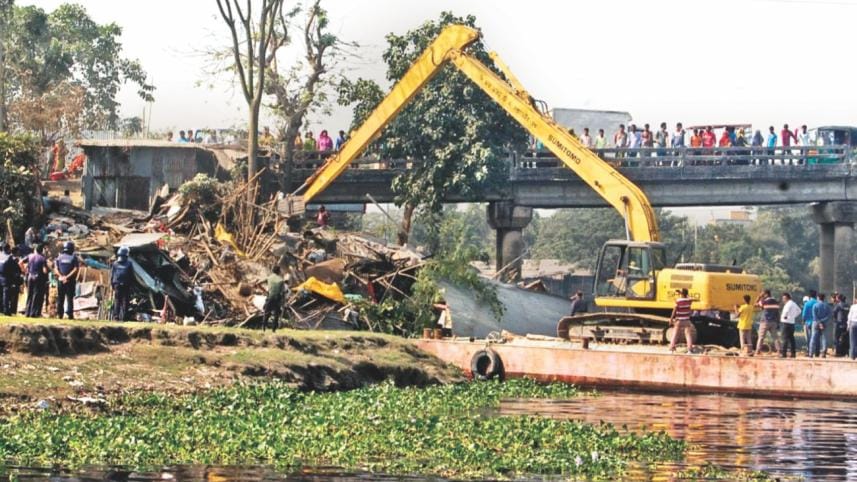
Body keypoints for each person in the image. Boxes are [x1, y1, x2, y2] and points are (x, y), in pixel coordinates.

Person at [54, 241, 79, 320]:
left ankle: (59, 314)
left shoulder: (59, 258)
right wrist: (67, 277)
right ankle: (70, 315)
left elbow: (56, 269)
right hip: (70, 281)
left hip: (61, 281)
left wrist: (62, 276)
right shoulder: (74, 258)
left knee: (60, 298)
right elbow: (76, 269)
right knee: (69, 298)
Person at [24, 244, 48, 318]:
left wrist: (25, 271)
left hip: (30, 276)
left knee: (29, 295)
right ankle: (33, 313)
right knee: (36, 295)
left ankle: (27, 312)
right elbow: (45, 271)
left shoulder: (30, 256)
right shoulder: (42, 258)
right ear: (41, 251)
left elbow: (20, 262)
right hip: (38, 278)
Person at [110, 246, 134, 321]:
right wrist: (131, 285)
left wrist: (112, 285)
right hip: (126, 284)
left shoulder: (115, 263)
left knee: (117, 301)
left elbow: (112, 275)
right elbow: (131, 275)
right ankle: (125, 317)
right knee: (125, 301)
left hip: (117, 284)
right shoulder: (129, 264)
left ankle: (116, 317)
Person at [755, 290, 780, 356]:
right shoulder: (776, 302)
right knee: (775, 338)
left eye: (763, 294)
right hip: (774, 322)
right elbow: (778, 313)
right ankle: (779, 351)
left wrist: (759, 296)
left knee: (761, 337)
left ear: (766, 294)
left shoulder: (764, 301)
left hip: (765, 322)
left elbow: (755, 304)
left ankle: (758, 351)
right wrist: (778, 322)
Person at [669, 288, 694, 353]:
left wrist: (671, 319)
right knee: (688, 335)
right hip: (687, 320)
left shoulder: (678, 301)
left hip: (679, 321)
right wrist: (685, 295)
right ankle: (689, 350)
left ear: (681, 294)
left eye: (680, 293)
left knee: (675, 334)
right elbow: (690, 298)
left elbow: (674, 310)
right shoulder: (689, 301)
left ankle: (671, 349)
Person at [262, 265, 285, 332]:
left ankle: (263, 327)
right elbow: (282, 292)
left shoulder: (269, 278)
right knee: (276, 314)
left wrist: (265, 291)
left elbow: (258, 283)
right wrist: (283, 301)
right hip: (277, 298)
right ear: (279, 271)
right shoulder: (281, 280)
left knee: (267, 312)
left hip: (270, 297)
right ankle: (273, 330)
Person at [780, 292, 800, 358]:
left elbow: (786, 312)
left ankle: (783, 353)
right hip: (792, 322)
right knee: (791, 339)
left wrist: (785, 317)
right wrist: (793, 316)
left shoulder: (788, 304)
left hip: (786, 323)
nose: (783, 300)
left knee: (784, 338)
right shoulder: (793, 303)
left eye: (783, 298)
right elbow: (799, 311)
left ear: (786, 298)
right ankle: (793, 353)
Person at [811, 293, 831, 358]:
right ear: (824, 298)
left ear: (818, 298)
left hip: (815, 323)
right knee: (824, 339)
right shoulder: (827, 306)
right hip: (824, 324)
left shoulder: (815, 305)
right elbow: (829, 316)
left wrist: (819, 322)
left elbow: (814, 315)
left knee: (813, 337)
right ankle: (823, 353)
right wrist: (822, 322)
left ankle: (811, 353)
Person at [802, 290, 818, 356]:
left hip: (808, 323)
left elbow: (804, 314)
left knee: (808, 338)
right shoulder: (817, 303)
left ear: (809, 296)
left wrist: (803, 321)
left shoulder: (807, 303)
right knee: (815, 337)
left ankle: (809, 351)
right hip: (816, 322)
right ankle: (816, 351)